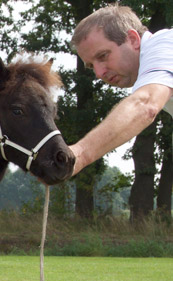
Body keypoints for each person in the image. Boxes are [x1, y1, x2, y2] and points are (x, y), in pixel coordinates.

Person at [69, 5, 173, 176]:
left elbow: (145, 104)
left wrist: (78, 156)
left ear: (133, 39)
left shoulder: (164, 44)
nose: (99, 73)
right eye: (91, 66)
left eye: (103, 56)